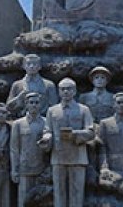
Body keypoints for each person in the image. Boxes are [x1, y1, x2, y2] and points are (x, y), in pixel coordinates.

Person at [41, 78, 95, 207]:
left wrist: (74, 134)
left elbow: (91, 132)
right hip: (58, 156)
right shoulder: (52, 111)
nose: (65, 91)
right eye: (63, 89)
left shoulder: (84, 110)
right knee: (59, 192)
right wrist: (46, 138)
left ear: (74, 91)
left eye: (69, 89)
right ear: (59, 92)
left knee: (77, 192)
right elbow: (47, 130)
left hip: (78, 157)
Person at [10, 92, 50, 207]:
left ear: (40, 104)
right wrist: (14, 170)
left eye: (36, 102)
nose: (34, 105)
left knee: (40, 201)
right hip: (24, 169)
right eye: (31, 102)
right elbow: (14, 149)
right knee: (24, 200)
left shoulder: (46, 122)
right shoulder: (18, 124)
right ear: (26, 104)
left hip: (41, 169)